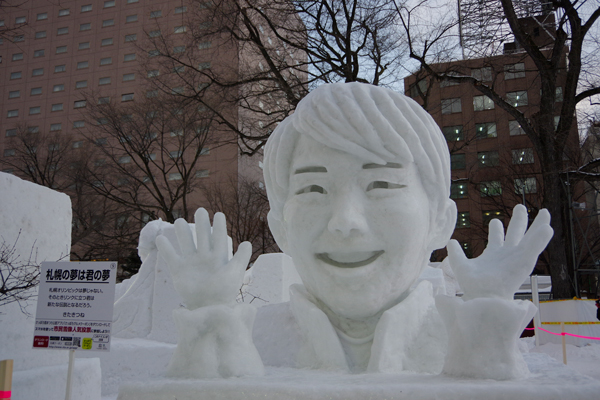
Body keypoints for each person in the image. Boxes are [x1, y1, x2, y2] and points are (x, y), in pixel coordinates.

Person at [156, 82, 553, 380]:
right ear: (281, 229)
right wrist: (209, 318)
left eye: (381, 185)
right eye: (313, 189)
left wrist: (486, 314)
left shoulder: (461, 341)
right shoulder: (254, 343)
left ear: (439, 221)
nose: (345, 220)